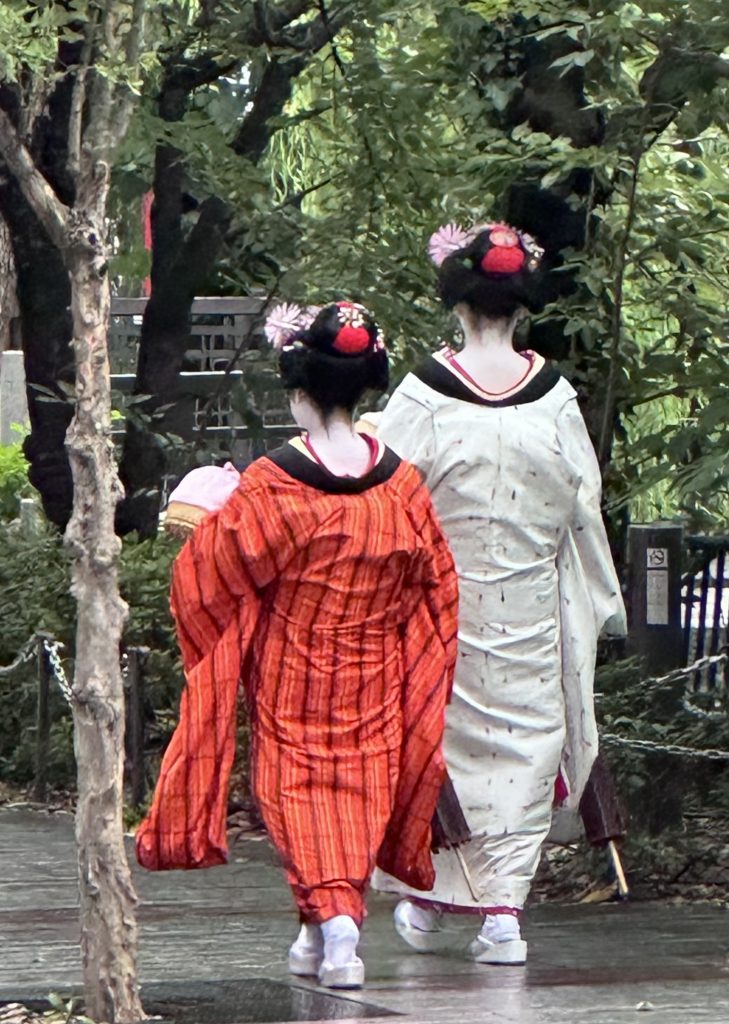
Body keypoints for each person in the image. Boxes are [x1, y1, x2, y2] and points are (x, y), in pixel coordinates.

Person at [136, 300, 459, 990]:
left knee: (299, 798)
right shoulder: (399, 485)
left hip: (295, 674)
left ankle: (338, 931)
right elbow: (435, 583)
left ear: (299, 388)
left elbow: (210, 579)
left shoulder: (274, 484)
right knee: (358, 798)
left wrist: (206, 537)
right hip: (375, 674)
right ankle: (324, 924)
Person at [372, 221, 627, 965]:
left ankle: (428, 896)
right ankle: (501, 915)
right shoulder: (553, 399)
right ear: (520, 309)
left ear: (457, 305)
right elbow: (583, 506)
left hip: (441, 608)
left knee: (439, 746)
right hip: (532, 610)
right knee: (524, 747)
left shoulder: (422, 396)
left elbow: (385, 498)